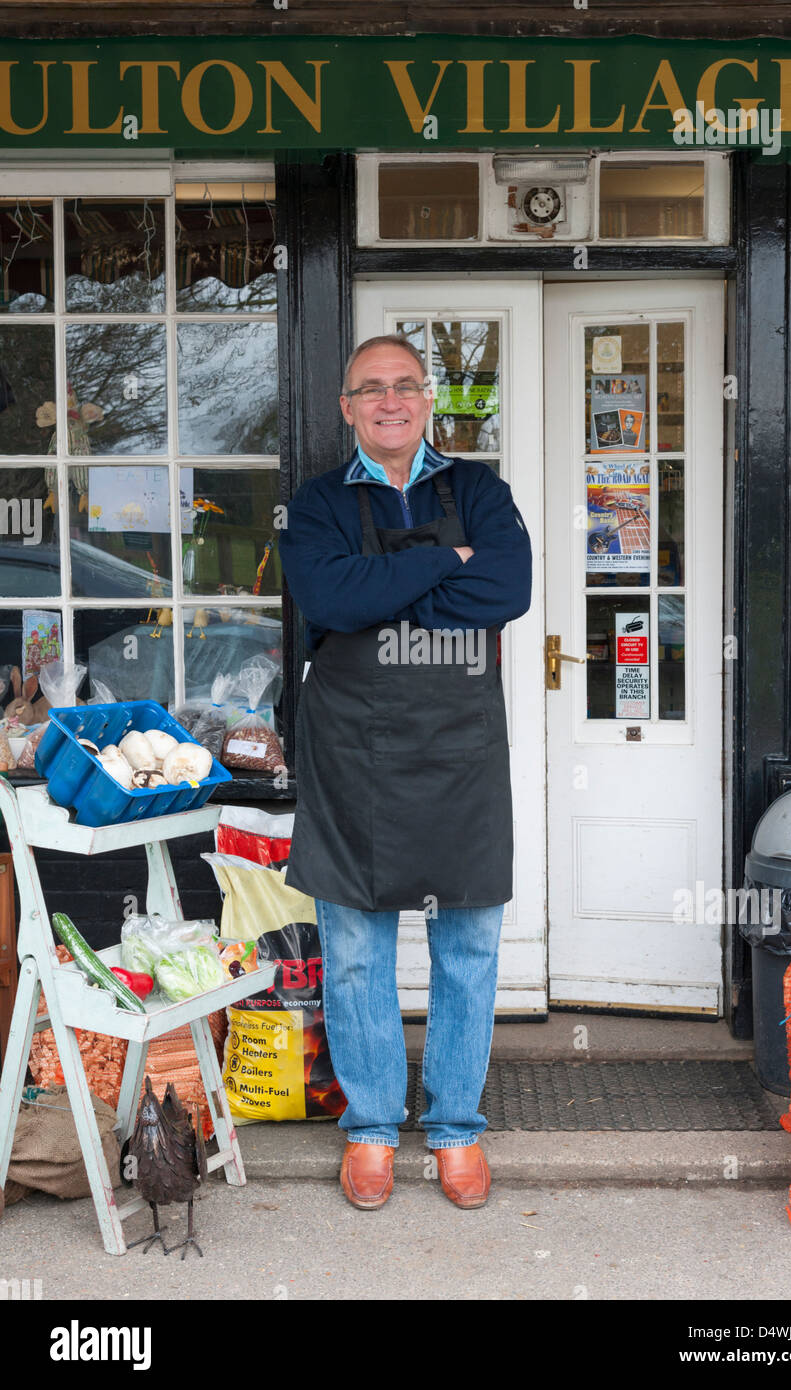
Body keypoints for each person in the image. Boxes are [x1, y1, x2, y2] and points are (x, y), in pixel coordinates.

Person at [279, 334, 532, 1211]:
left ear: (427, 400)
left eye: (405, 386)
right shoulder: (315, 505)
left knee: (470, 947)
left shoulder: (480, 492)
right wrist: (439, 564)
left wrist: (384, 575)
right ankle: (374, 1130)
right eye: (370, 389)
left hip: (460, 754)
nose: (390, 401)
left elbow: (507, 591)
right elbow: (332, 600)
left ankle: (457, 1129)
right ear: (347, 408)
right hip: (353, 749)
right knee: (354, 953)